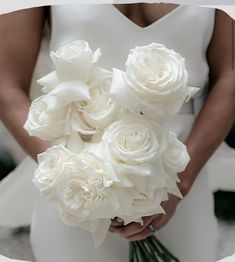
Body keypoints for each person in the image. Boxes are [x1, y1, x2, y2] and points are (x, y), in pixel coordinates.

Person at [0, 3, 234, 262]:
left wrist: (180, 182)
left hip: (182, 177)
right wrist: (71, 173)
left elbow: (230, 76)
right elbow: (6, 85)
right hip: (76, 190)